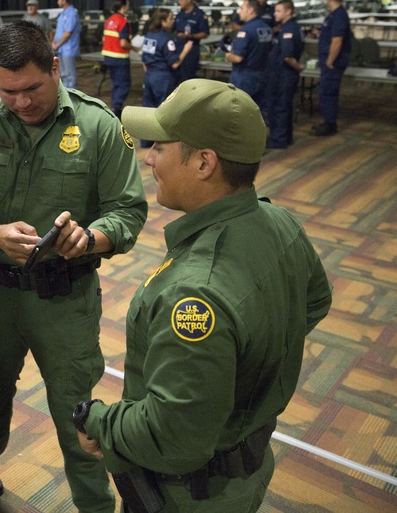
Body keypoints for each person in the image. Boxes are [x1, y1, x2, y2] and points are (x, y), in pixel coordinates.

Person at [77, 79, 332, 512]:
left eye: (160, 145)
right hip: (245, 467)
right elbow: (314, 302)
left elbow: (173, 437)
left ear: (203, 163)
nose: (148, 156)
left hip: (188, 495)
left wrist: (99, 422)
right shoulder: (280, 222)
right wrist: (244, 373)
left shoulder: (194, 293)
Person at [0, 21, 148, 513]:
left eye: (31, 89)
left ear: (54, 68)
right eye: (8, 92)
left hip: (64, 299)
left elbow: (128, 212)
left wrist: (89, 238)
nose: (21, 103)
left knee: (77, 417)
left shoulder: (98, 126)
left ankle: (95, 505)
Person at [140, 8, 193, 146]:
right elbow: (175, 63)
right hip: (162, 78)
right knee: (164, 110)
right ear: (163, 22)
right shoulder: (166, 39)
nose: (173, 21)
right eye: (170, 19)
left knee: (148, 110)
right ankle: (163, 144)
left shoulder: (149, 36)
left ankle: (146, 143)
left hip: (149, 75)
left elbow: (144, 60)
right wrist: (186, 50)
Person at [265, 0, 304, 149]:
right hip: (284, 74)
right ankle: (286, 137)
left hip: (283, 74)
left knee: (279, 106)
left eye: (278, 11)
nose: (275, 13)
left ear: (288, 11)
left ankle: (278, 139)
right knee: (285, 106)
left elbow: (287, 56)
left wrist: (298, 67)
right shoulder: (293, 27)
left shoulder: (288, 30)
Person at [312, 0, 351, 136]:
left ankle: (329, 124)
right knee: (326, 92)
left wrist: (330, 61)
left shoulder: (339, 15)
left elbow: (337, 41)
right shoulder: (334, 15)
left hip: (333, 62)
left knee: (328, 93)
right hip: (328, 60)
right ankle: (327, 121)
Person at [225, 0, 273, 105]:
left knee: (239, 109)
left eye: (242, 8)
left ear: (251, 10)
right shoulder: (266, 28)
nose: (239, 12)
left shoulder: (245, 30)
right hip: (263, 74)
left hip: (244, 77)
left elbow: (238, 58)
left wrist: (228, 56)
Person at [101, 0, 134, 117]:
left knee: (116, 84)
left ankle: (114, 107)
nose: (129, 8)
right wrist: (135, 47)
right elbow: (123, 43)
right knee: (124, 84)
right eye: (128, 5)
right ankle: (117, 108)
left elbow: (104, 39)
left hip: (108, 57)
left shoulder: (109, 20)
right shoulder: (123, 22)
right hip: (120, 58)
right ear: (123, 7)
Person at [174, 0, 210, 84]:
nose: (179, 2)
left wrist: (191, 36)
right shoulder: (179, 15)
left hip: (191, 52)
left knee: (187, 80)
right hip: (177, 49)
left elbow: (205, 33)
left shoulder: (199, 15)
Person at [52, 0, 82, 89]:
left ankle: (72, 98)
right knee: (64, 74)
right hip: (61, 49)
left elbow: (67, 33)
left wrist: (57, 44)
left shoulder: (72, 13)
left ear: (64, 1)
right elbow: (59, 31)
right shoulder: (63, 14)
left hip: (68, 49)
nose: (57, 2)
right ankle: (65, 95)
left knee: (70, 75)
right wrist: (54, 43)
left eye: (59, 0)